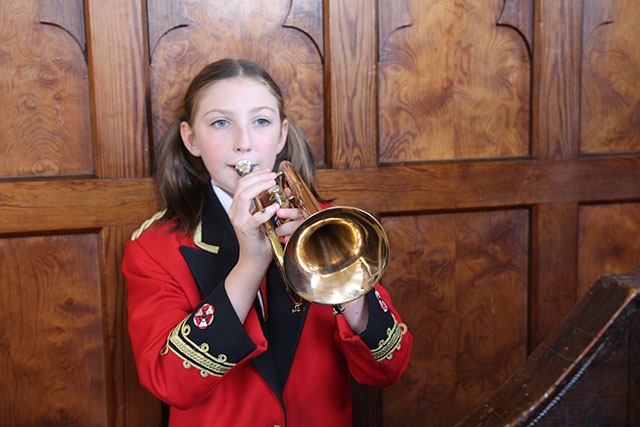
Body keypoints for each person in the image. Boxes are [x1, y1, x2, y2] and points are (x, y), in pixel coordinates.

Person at [122, 58, 413, 427]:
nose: (244, 144)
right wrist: (250, 264)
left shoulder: (332, 225)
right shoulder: (153, 246)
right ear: (190, 139)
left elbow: (390, 367)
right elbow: (170, 382)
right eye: (220, 123)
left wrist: (340, 272)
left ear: (281, 135)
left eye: (260, 121)